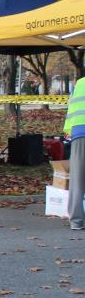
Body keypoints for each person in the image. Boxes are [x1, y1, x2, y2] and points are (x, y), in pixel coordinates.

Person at [66, 77, 85, 230]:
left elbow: (71, 107)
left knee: (77, 179)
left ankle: (76, 221)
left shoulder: (79, 83)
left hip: (78, 132)